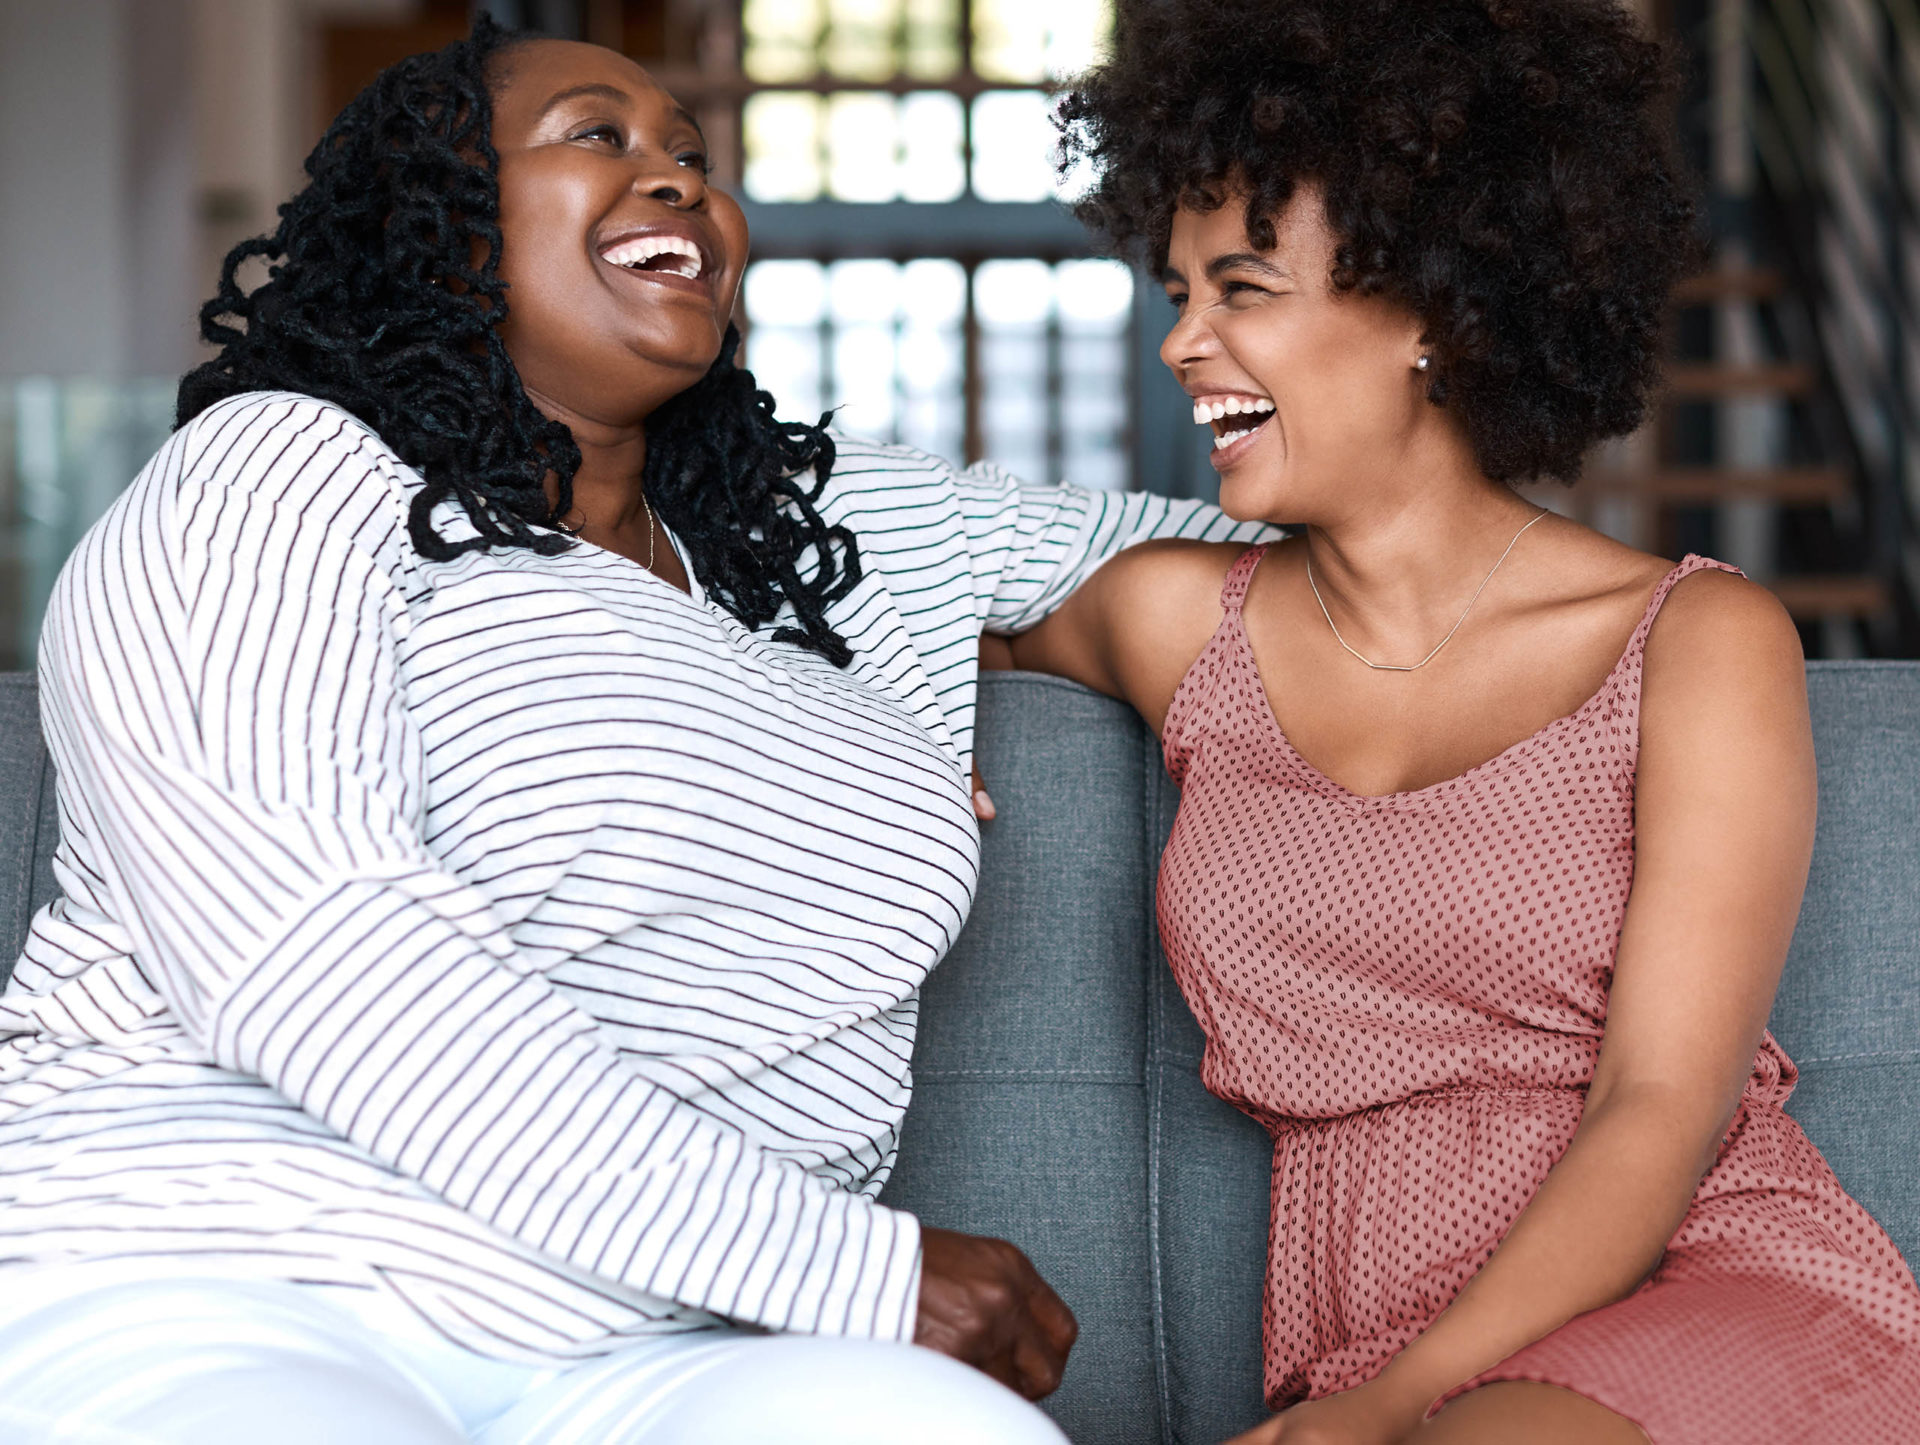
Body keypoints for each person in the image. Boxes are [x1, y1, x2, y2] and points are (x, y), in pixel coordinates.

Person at [0, 18, 1269, 1445]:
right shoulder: (278, 474)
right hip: (223, 1274)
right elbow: (311, 951)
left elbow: (1284, 546)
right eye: (594, 136)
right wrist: (846, 1269)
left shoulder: (826, 542)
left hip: (670, 1344)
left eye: (693, 156)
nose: (675, 181)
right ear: (437, 217)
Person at [996, 0, 1920, 1440]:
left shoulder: (1696, 641)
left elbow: (1660, 1108)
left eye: (1242, 288)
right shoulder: (1172, 621)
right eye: (1178, 291)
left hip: (1697, 1283)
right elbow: (908, 630)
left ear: (1430, 302)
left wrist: (1395, 1404)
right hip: (1368, 1319)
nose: (1186, 342)